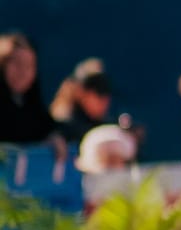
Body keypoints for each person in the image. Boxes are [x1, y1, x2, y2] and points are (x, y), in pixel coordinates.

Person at [0, 32, 67, 161]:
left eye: (29, 65)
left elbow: (46, 128)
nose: (23, 72)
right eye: (17, 64)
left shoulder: (33, 105)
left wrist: (54, 137)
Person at [50, 63, 115, 145]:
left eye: (107, 92)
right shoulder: (63, 123)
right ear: (80, 91)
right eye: (99, 92)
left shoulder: (100, 122)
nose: (106, 100)